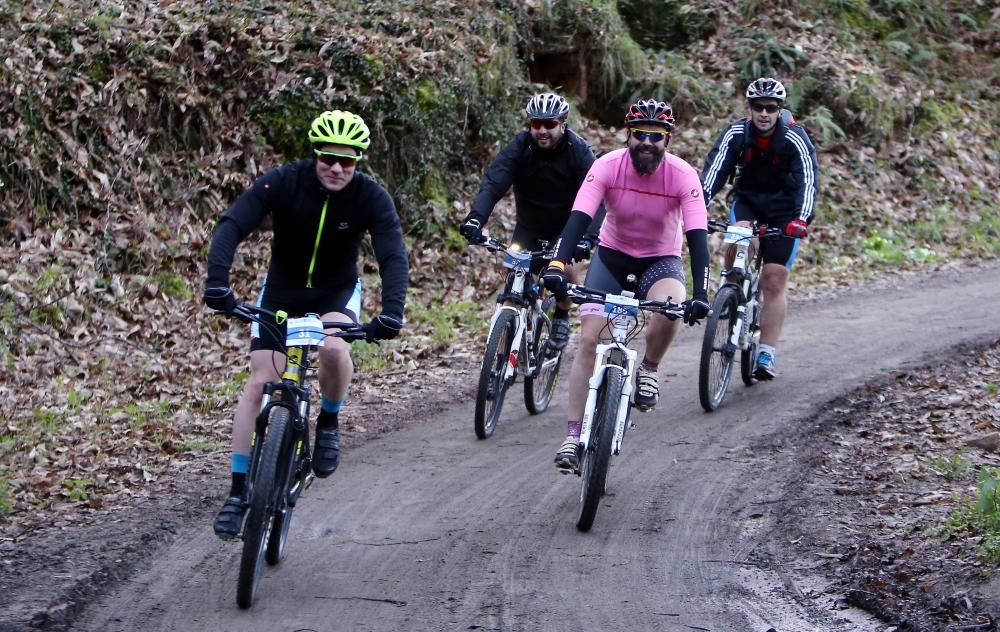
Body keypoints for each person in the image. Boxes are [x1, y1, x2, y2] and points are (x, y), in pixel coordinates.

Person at [203, 110, 409, 539]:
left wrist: (392, 311)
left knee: (335, 348)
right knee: (261, 382)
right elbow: (232, 225)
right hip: (282, 292)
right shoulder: (284, 181)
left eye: (347, 161)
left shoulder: (371, 198)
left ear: (359, 161)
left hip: (335, 294)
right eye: (328, 158)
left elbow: (391, 254)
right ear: (315, 156)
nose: (337, 168)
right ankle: (239, 491)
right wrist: (217, 284)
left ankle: (329, 421)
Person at [541, 98, 711, 470]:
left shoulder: (683, 176)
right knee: (589, 341)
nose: (647, 142)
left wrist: (701, 294)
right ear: (627, 136)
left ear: (669, 139)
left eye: (656, 135)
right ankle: (573, 437)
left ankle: (648, 368)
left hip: (659, 261)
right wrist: (557, 264)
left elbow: (697, 237)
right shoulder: (607, 166)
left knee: (671, 308)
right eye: (639, 135)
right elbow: (578, 218)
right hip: (612, 258)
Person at [459, 92, 604, 350]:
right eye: (536, 124)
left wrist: (587, 238)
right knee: (515, 285)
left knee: (564, 273)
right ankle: (501, 357)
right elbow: (494, 183)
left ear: (563, 122)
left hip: (566, 228)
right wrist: (475, 220)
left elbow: (598, 197)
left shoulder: (578, 151)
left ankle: (561, 315)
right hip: (529, 227)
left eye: (549, 124)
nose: (542, 131)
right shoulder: (520, 146)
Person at [700, 77, 819, 380]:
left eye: (771, 107)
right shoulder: (737, 133)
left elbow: (809, 179)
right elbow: (714, 171)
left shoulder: (794, 137)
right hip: (749, 203)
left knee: (773, 278)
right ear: (750, 108)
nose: (764, 113)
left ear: (780, 109)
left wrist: (801, 220)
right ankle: (730, 287)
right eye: (758, 107)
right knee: (740, 241)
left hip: (784, 211)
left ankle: (766, 351)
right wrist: (698, 204)